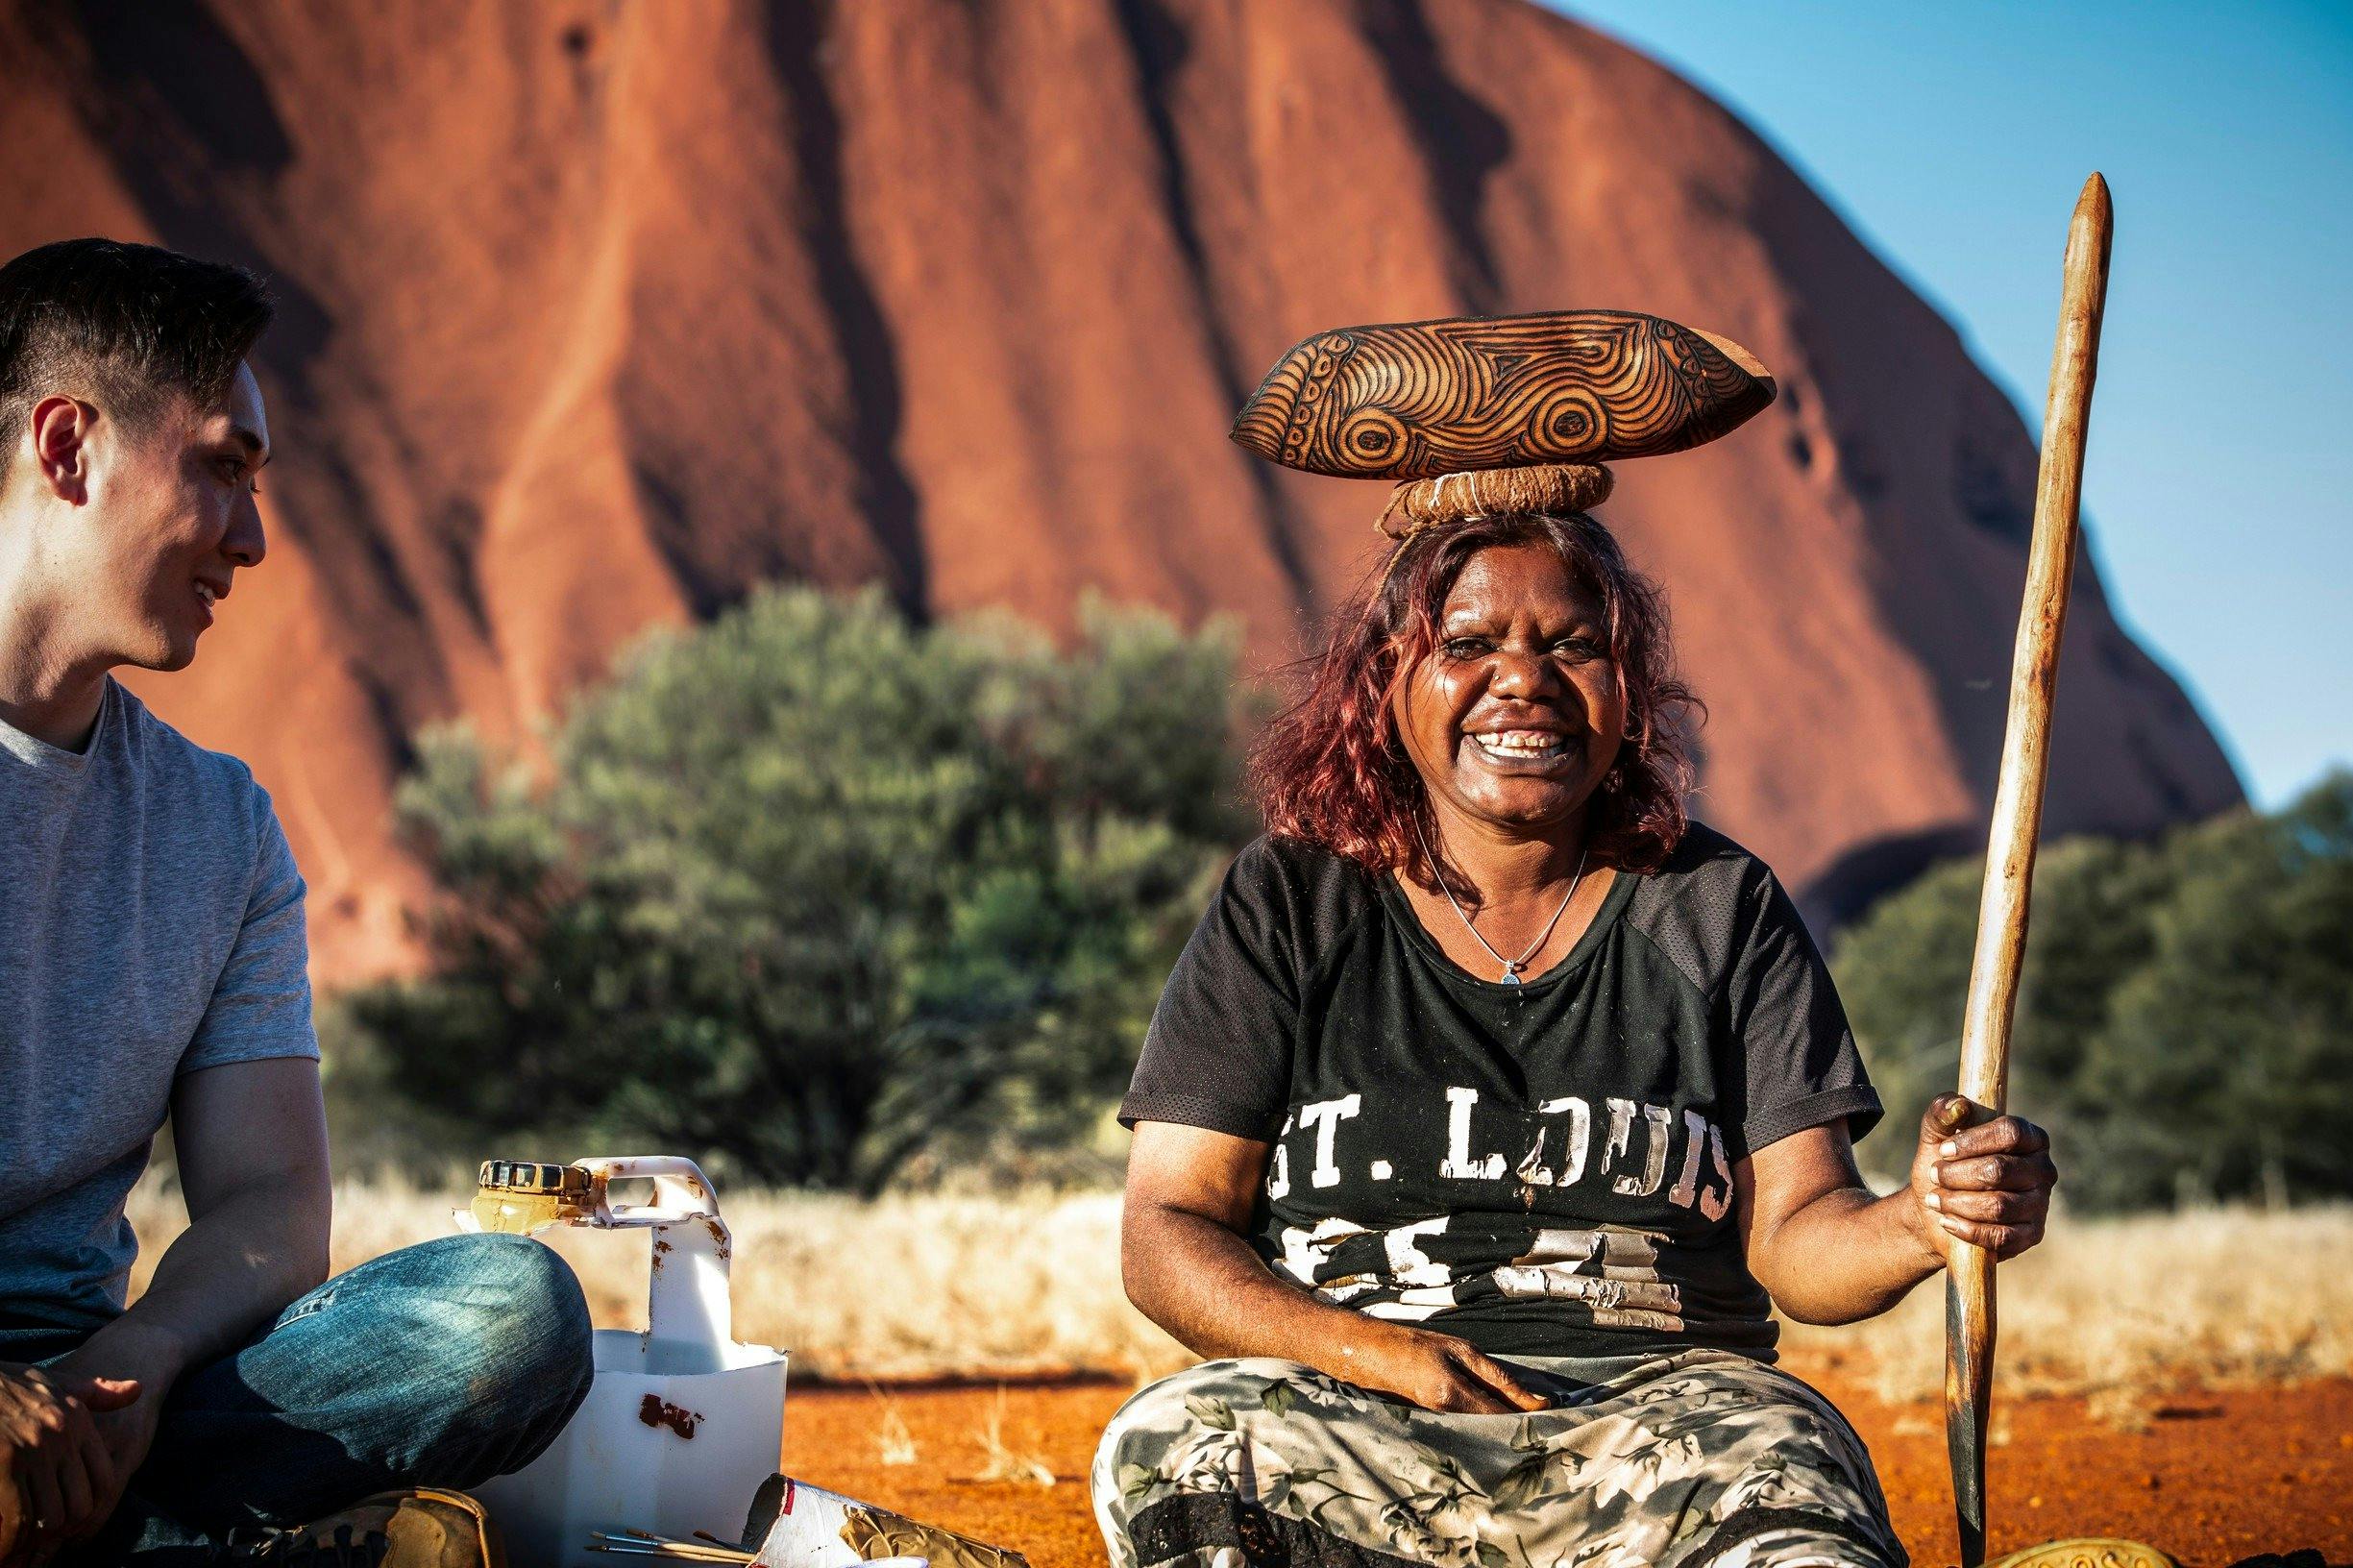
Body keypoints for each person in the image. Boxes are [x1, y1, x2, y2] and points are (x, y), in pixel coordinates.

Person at [1091, 507, 2061, 1568]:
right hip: (1360, 1420)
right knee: (1179, 1442)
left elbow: (1799, 1241)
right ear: (1387, 680)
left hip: (1663, 1435)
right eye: (1466, 644)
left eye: (1573, 645)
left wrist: (1925, 1219)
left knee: (1791, 1455)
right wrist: (1367, 1351)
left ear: (1626, 687)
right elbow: (1167, 1230)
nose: (1523, 680)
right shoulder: (1291, 902)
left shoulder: (1713, 906)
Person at [0, 238, 595, 1566]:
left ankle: (92, 1520)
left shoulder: (218, 826)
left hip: (96, 1389)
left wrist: (137, 1359)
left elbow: (271, 1204)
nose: (254, 538)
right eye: (222, 466)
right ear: (65, 448)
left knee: (508, 1316)